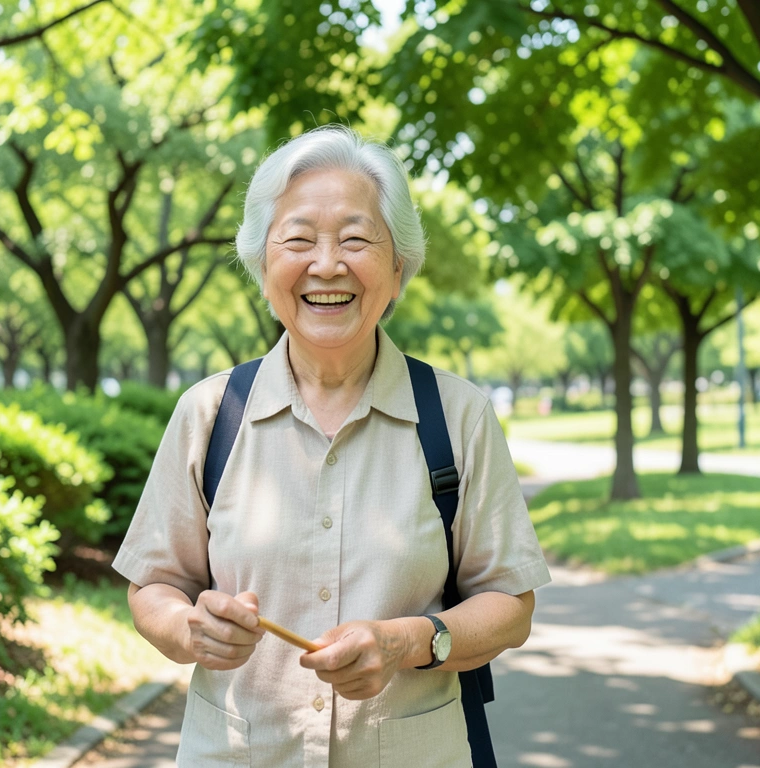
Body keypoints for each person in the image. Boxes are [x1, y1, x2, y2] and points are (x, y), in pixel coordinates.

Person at [113, 125, 552, 767]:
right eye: (297, 240)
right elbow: (153, 585)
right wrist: (189, 629)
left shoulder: (458, 416)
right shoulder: (209, 415)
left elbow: (511, 606)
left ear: (398, 268)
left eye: (355, 239)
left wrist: (409, 642)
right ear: (263, 266)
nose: (325, 265)